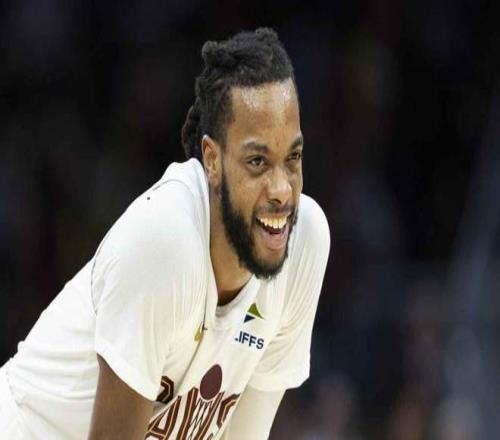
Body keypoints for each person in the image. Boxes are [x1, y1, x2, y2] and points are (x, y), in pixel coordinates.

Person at [0, 27, 330, 439]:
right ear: (212, 160)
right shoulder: (165, 240)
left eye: (293, 157)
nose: (282, 190)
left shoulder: (303, 242)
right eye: (257, 162)